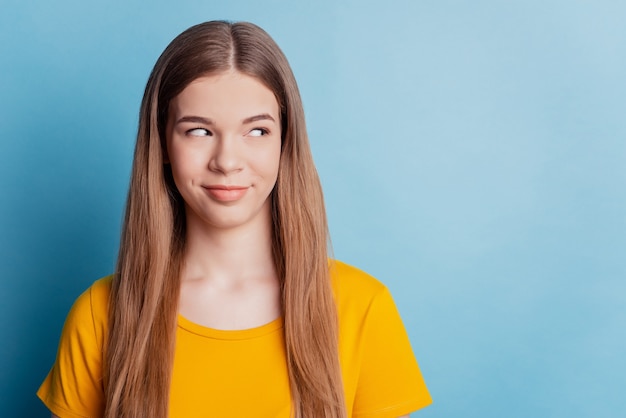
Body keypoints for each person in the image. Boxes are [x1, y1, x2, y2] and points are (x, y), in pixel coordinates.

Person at [37, 21, 432, 418]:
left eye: (257, 131)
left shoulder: (363, 309)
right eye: (199, 131)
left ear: (285, 142)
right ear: (163, 144)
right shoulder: (100, 314)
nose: (226, 161)